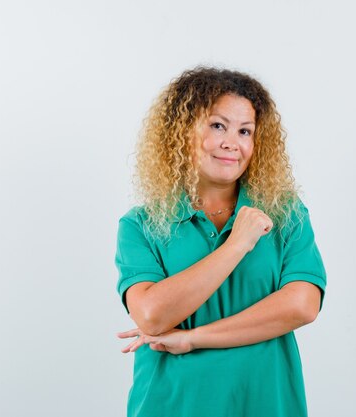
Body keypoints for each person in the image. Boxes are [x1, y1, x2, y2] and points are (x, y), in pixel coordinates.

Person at [114, 66, 327, 417]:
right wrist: (236, 244)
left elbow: (302, 306)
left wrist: (193, 337)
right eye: (217, 126)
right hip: (172, 405)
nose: (232, 142)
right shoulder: (141, 224)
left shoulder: (285, 213)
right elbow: (152, 315)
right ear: (181, 132)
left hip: (264, 404)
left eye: (245, 131)